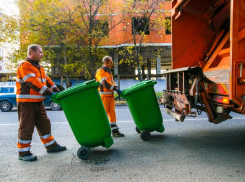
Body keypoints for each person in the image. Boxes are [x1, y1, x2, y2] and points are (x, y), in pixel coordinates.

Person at [16, 44, 66, 161]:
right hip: (26, 102)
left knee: (44, 124)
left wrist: (56, 90)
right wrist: (49, 92)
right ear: (32, 52)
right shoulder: (25, 65)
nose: (42, 55)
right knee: (26, 127)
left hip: (38, 102)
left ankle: (51, 146)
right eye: (40, 52)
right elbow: (33, 83)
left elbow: (47, 81)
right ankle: (23, 153)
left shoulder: (39, 67)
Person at [95, 56, 124, 137]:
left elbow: (111, 82)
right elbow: (105, 84)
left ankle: (114, 131)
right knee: (103, 114)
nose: (112, 64)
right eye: (110, 62)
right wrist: (115, 88)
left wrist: (117, 88)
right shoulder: (100, 72)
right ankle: (99, 132)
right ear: (105, 63)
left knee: (112, 113)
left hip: (110, 96)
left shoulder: (109, 72)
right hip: (104, 96)